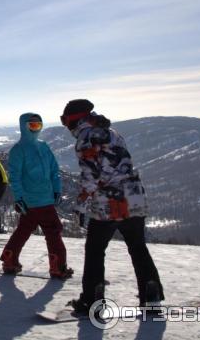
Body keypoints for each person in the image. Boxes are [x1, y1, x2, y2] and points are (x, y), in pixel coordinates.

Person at [60, 99, 164, 314]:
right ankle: (151, 294)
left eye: (65, 120)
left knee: (95, 250)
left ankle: (92, 300)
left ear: (73, 119)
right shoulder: (111, 132)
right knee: (137, 247)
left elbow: (91, 177)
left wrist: (80, 204)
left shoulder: (85, 138)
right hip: (134, 196)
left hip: (110, 202)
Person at [0, 113, 73, 279]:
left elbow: (54, 170)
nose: (35, 129)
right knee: (53, 230)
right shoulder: (18, 150)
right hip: (34, 199)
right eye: (32, 126)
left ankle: (9, 260)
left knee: (24, 229)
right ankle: (58, 266)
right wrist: (19, 198)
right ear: (23, 127)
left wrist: (57, 190)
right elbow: (15, 177)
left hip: (42, 198)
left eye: (38, 126)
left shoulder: (43, 146)